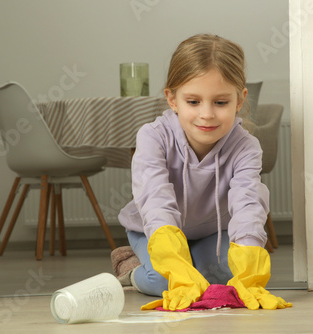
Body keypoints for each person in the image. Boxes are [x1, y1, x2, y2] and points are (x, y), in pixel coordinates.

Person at [116, 33, 292, 311]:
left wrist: (249, 264)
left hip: (212, 231)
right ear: (172, 99)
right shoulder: (153, 137)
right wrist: (173, 259)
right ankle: (129, 267)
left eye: (220, 102)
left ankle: (193, 260)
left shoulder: (246, 147)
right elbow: (155, 198)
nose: (207, 114)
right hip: (154, 230)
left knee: (227, 277)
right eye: (193, 102)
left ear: (239, 99)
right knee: (164, 282)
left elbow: (248, 204)